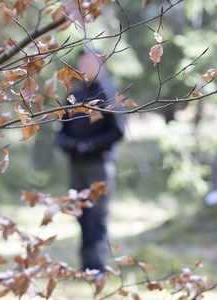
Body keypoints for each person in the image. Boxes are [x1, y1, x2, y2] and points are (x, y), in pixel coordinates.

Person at [56, 49, 125, 273]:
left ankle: (97, 268)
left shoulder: (109, 94)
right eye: (81, 64)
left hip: (99, 166)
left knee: (96, 217)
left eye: (89, 63)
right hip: (76, 166)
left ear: (101, 66)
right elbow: (62, 131)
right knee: (81, 215)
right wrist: (66, 143)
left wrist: (90, 145)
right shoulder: (73, 96)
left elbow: (118, 131)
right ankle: (86, 266)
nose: (84, 68)